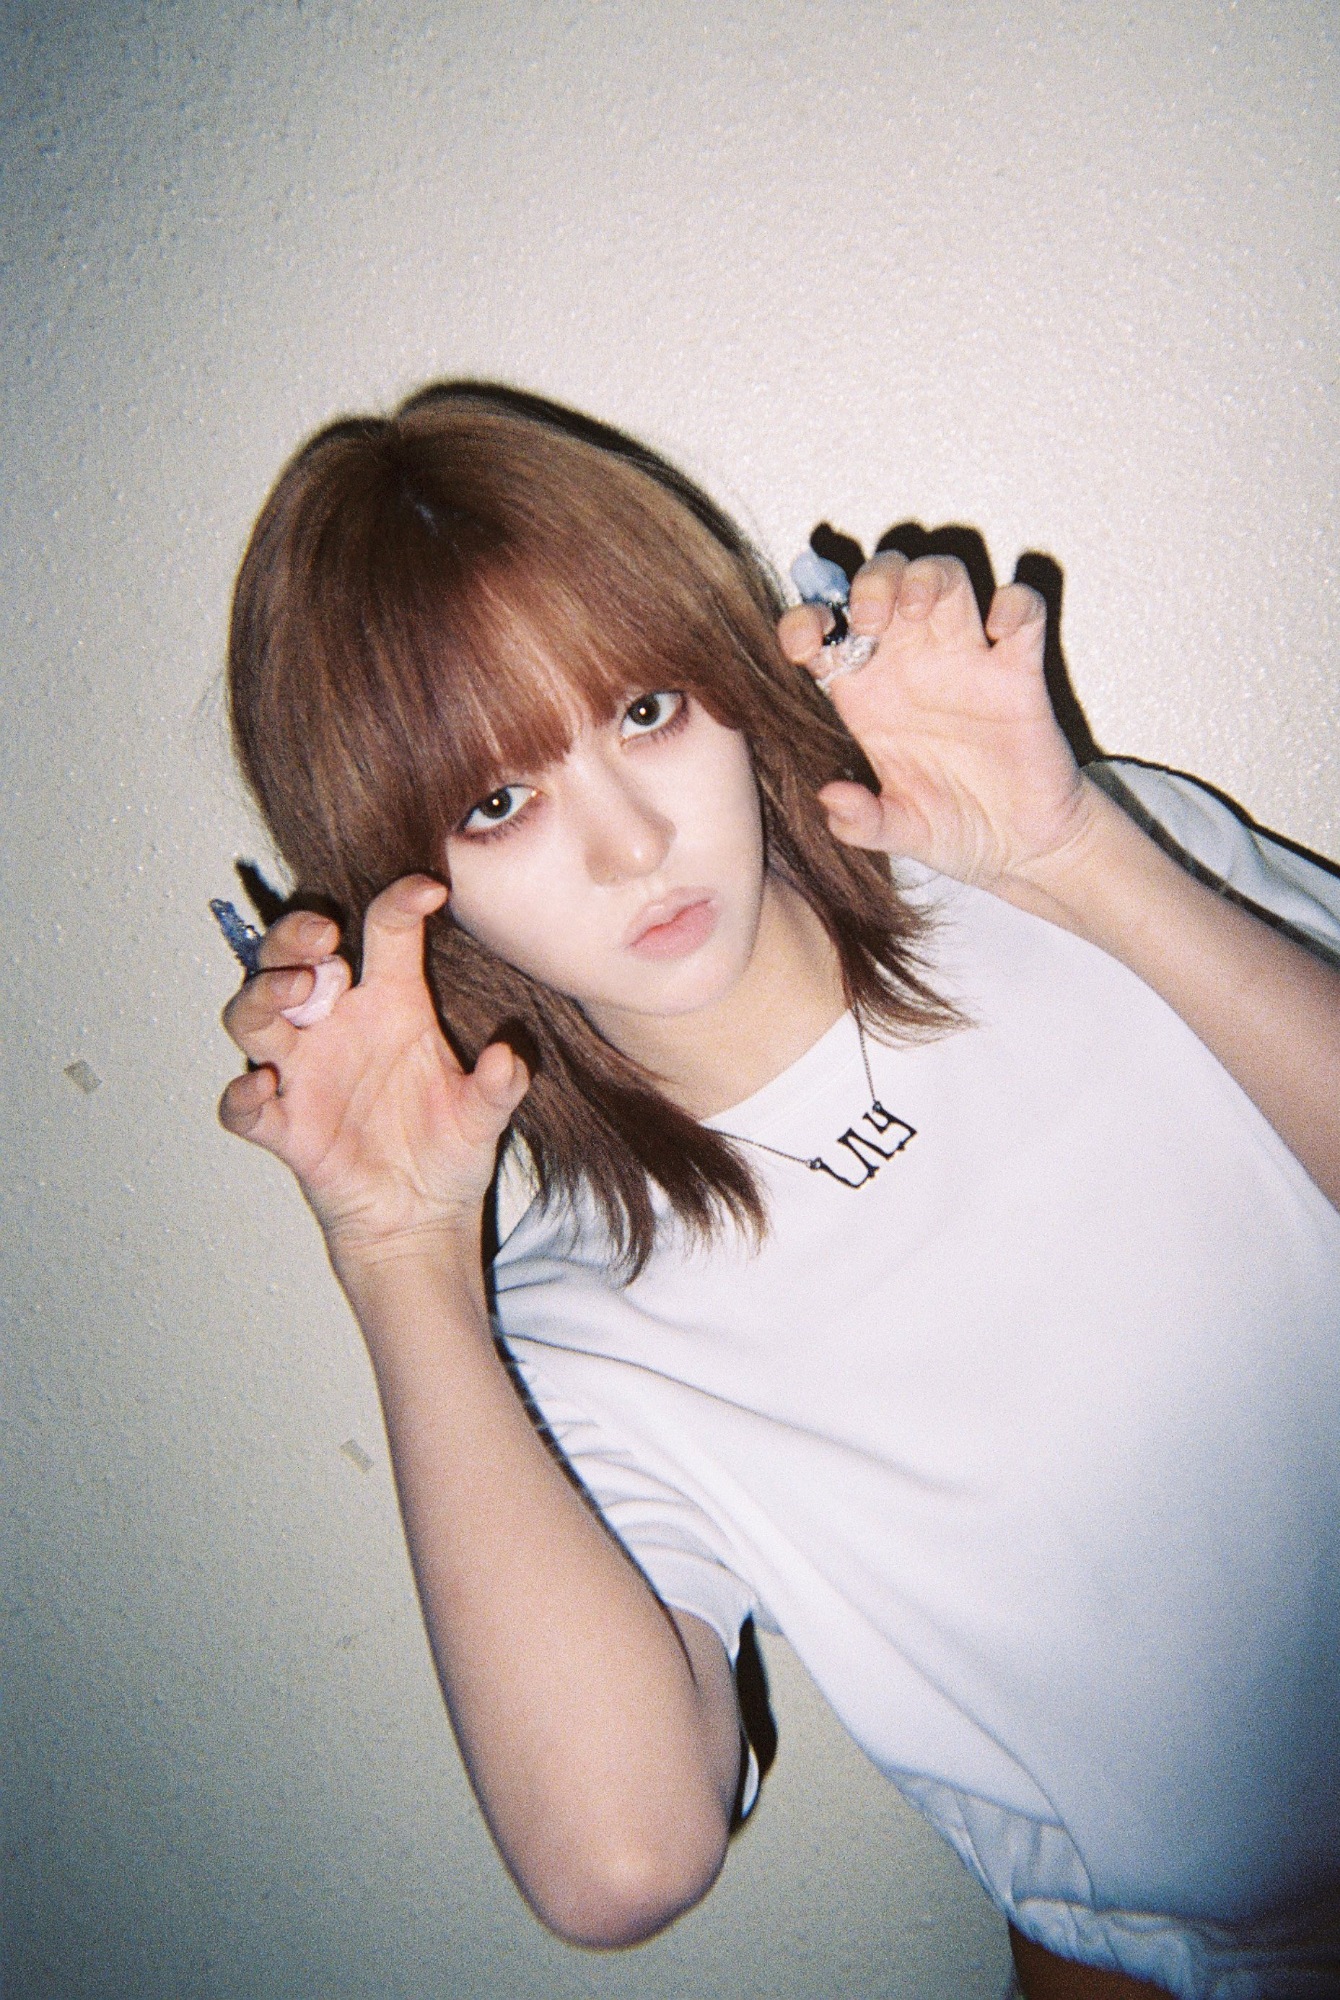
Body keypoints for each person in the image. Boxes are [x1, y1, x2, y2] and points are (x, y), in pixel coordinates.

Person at [218, 382, 1340, 2000]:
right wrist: (400, 1254)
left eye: (645, 710)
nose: (629, 845)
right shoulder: (575, 1331)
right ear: (412, 882)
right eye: (498, 802)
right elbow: (619, 1862)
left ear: (734, 685)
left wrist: (1078, 862)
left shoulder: (1086, 860)